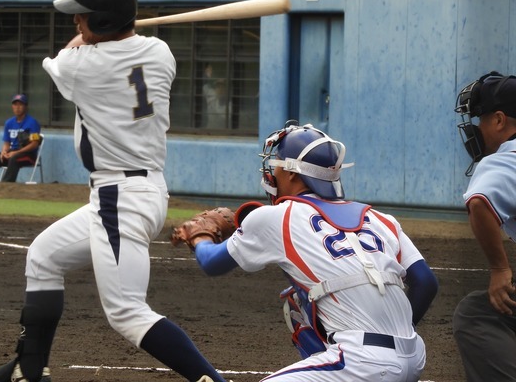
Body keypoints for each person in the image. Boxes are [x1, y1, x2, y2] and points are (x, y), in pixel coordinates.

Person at [0, 0, 226, 382]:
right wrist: (109, 30)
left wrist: (96, 35)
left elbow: (70, 52)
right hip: (132, 190)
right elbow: (102, 42)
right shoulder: (160, 53)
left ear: (105, 21)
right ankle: (31, 368)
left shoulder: (81, 65)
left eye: (83, 15)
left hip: (120, 196)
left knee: (127, 312)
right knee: (43, 256)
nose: (76, 21)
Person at [182, 122, 439, 382]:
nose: (273, 172)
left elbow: (212, 262)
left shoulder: (278, 216)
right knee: (297, 299)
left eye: (279, 164)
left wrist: (200, 236)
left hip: (360, 362)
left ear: (293, 173)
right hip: (413, 355)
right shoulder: (381, 218)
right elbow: (426, 283)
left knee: (299, 303)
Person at [452, 71, 516, 382]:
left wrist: (499, 269)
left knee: (477, 311)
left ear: (500, 120)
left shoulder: (505, 159)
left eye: (481, 118)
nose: (476, 128)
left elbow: (480, 202)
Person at [0, 94, 41, 182]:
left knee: (14, 158)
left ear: (25, 106)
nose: (17, 107)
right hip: (12, 153)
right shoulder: (9, 123)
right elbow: (6, 143)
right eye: (15, 104)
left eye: (20, 104)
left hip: (28, 155)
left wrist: (16, 152)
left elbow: (34, 144)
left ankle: (6, 186)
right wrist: (4, 152)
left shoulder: (32, 123)